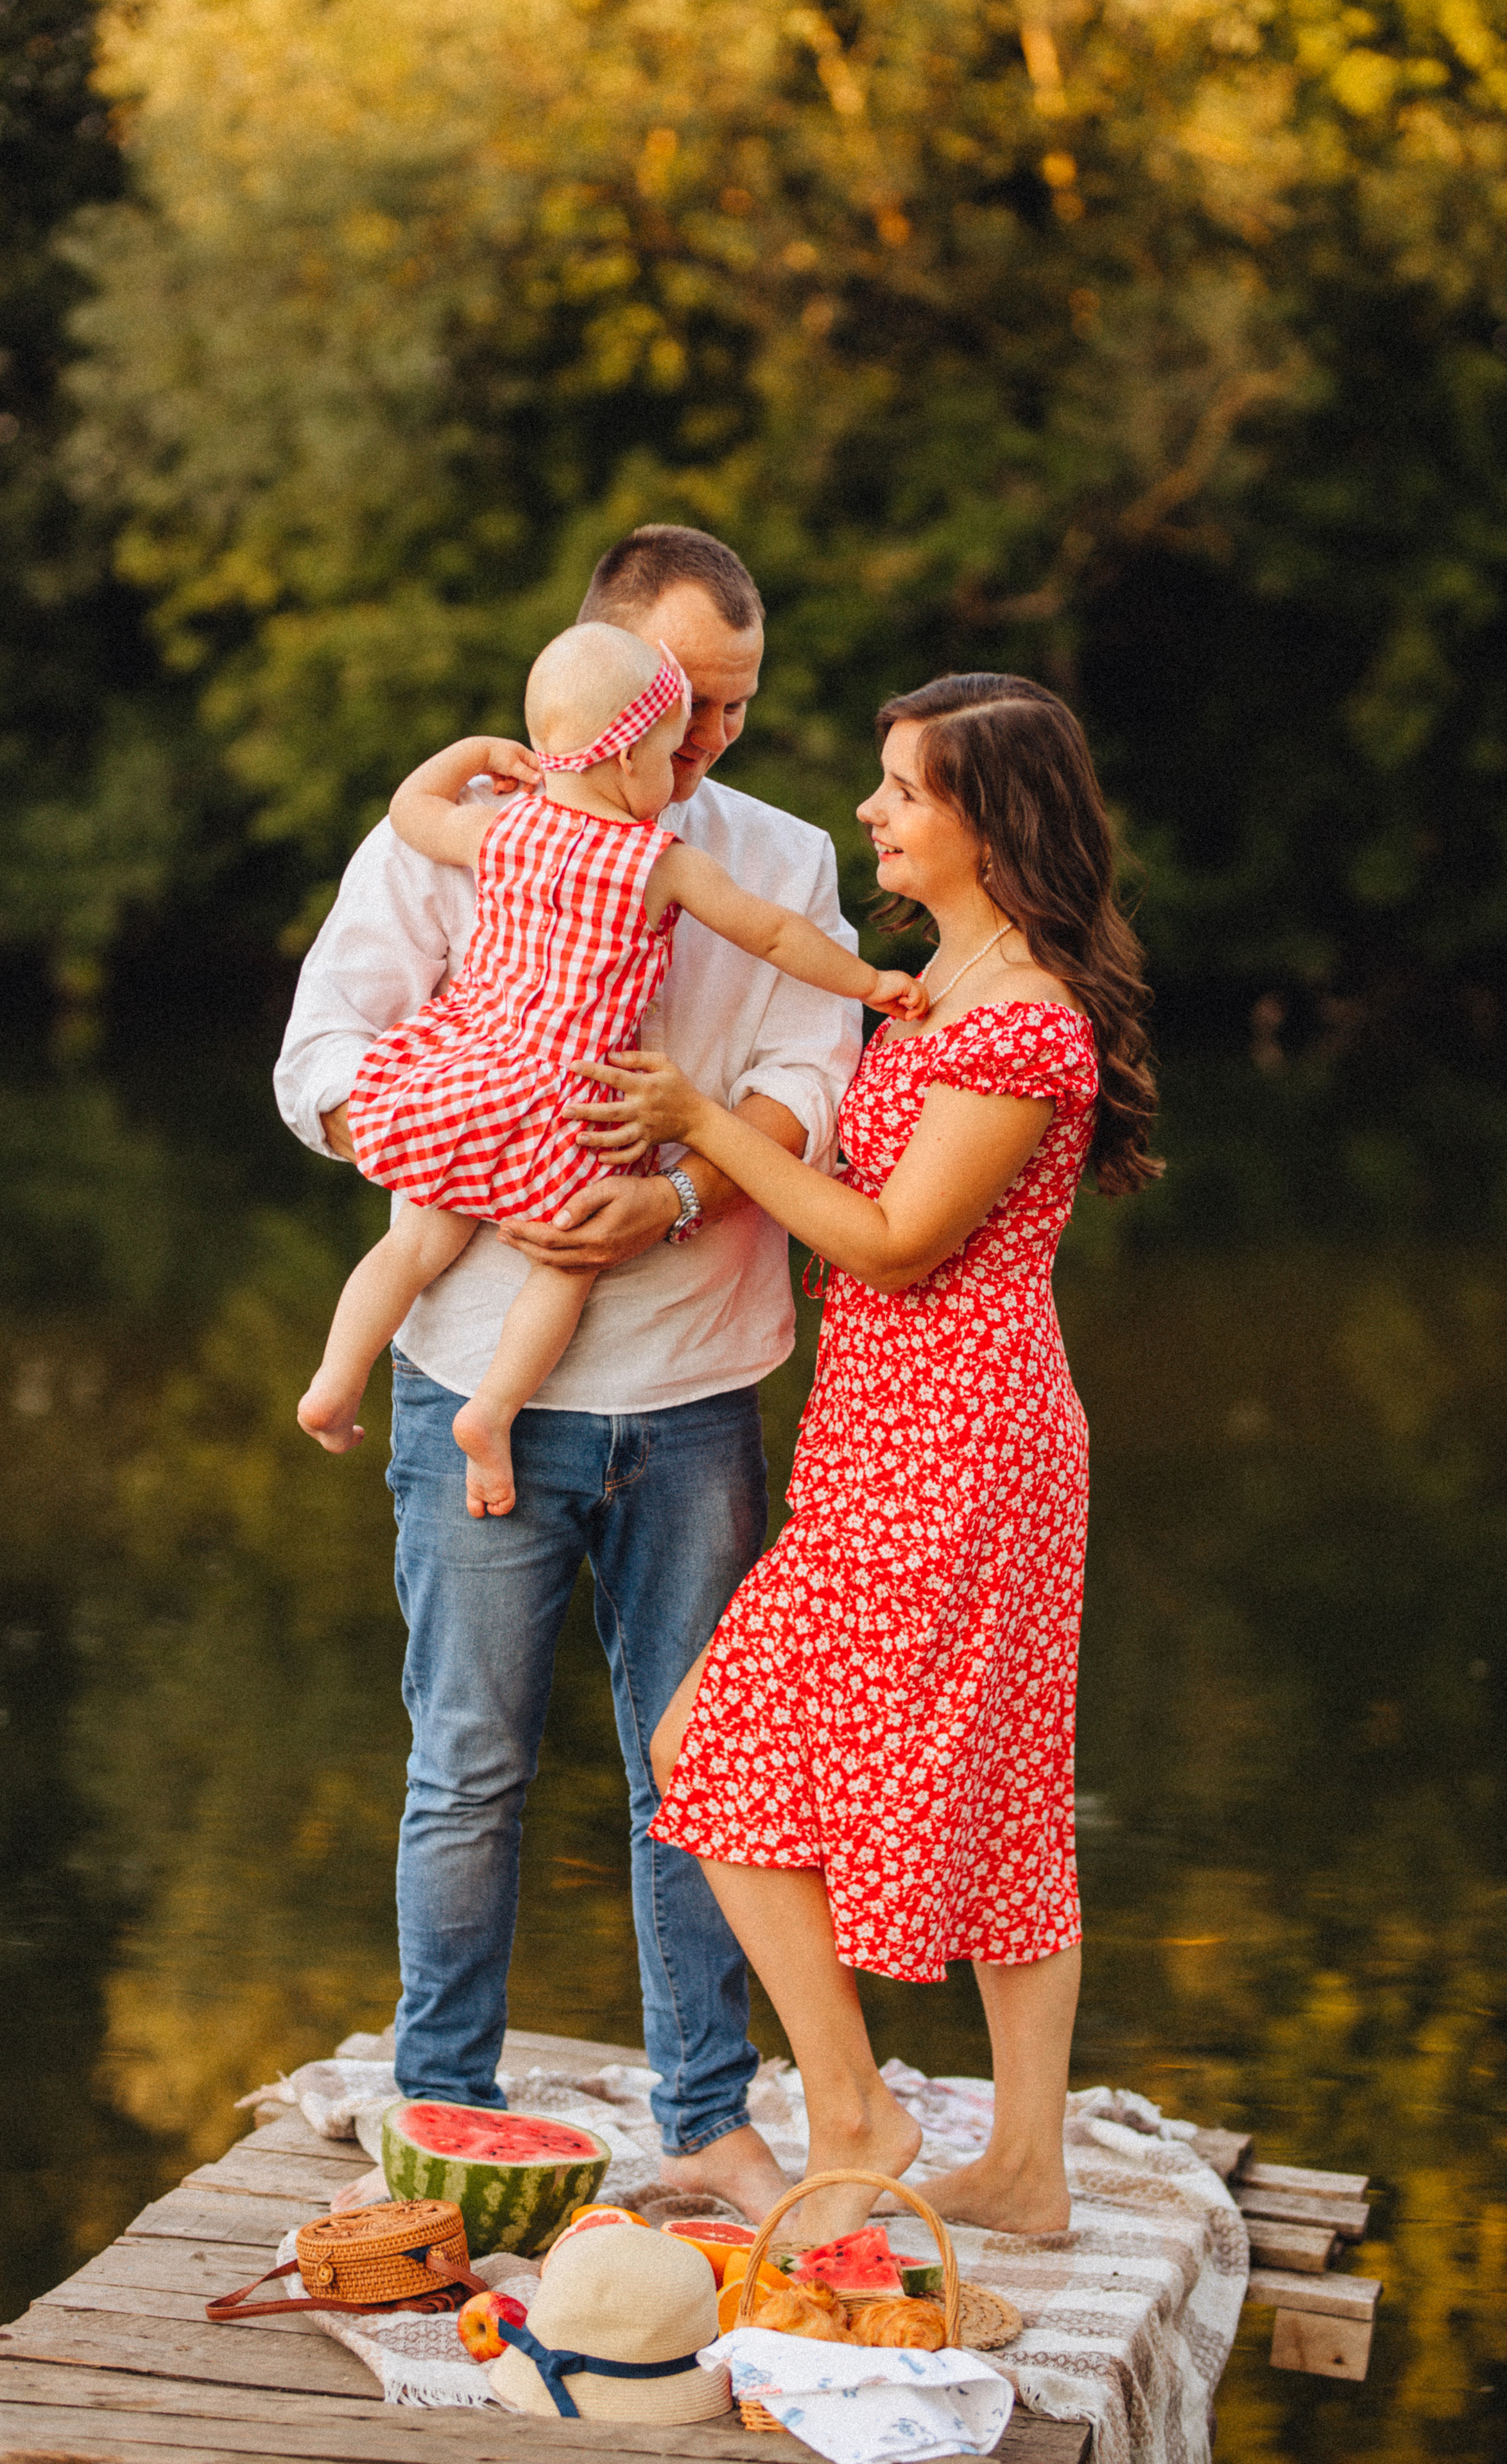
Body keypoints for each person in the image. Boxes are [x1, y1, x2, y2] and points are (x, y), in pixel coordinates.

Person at [273, 526, 859, 2220]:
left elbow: (821, 1062)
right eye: (692, 707)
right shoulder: (456, 850)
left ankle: (708, 2111)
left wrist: (677, 1189)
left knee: (707, 1769)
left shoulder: (775, 856)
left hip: (695, 1393)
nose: (715, 745)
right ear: (611, 688)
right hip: (469, 1373)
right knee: (466, 1761)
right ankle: (443, 2108)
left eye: (739, 708)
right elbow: (320, 1061)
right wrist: (472, 1124)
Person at [574, 673, 1161, 2242]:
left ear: (990, 817)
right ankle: (1018, 2166)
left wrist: (702, 1120)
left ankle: (856, 2106)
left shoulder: (1023, 1019)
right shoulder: (946, 976)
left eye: (903, 790)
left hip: (954, 1448)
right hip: (893, 1436)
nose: (870, 812)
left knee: (708, 1749)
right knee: (987, 1787)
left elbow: (898, 1247)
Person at [297, 623, 924, 1513]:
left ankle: (332, 1378)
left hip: (467, 1072)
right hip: (564, 1101)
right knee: (568, 1263)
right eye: (670, 752)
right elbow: (777, 935)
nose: (684, 767)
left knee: (412, 1243)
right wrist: (872, 980)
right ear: (629, 762)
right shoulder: (658, 862)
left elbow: (410, 811)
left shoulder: (500, 832)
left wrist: (470, 754)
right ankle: (493, 1411)